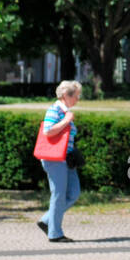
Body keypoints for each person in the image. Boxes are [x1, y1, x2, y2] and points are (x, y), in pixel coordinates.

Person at [38, 80, 81, 242]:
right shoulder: (55, 110)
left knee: (74, 193)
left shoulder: (65, 111)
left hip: (67, 159)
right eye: (76, 96)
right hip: (54, 159)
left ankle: (47, 220)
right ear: (66, 96)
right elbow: (48, 131)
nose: (78, 99)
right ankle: (55, 233)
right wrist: (66, 120)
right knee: (58, 195)